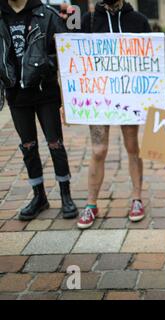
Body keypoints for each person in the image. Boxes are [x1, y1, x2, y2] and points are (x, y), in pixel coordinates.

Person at [0, 0, 77, 221]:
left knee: (55, 143)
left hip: (45, 92)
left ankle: (66, 195)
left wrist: (46, 66)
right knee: (28, 147)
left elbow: (68, 45)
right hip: (16, 93)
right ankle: (39, 197)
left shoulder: (46, 14)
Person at [77, 0, 151, 229]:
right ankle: (91, 204)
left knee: (132, 148)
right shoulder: (87, 21)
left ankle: (137, 198)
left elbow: (150, 60)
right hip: (98, 97)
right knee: (98, 150)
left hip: (128, 96)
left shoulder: (138, 20)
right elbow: (75, 61)